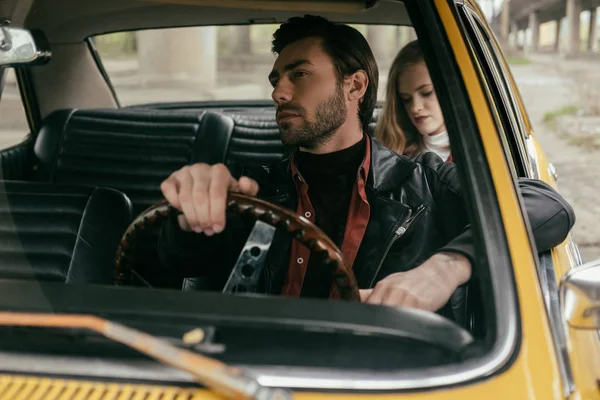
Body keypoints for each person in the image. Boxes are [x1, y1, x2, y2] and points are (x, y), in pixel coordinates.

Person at [157, 15, 574, 319]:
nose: (279, 93)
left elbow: (546, 205)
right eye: (275, 80)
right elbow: (177, 267)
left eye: (299, 74)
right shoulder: (254, 186)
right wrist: (190, 216)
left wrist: (446, 266)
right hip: (254, 372)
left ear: (354, 86)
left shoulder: (425, 182)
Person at [375, 39, 453, 161]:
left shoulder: (477, 150)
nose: (415, 108)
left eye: (426, 93)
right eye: (406, 99)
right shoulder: (393, 151)